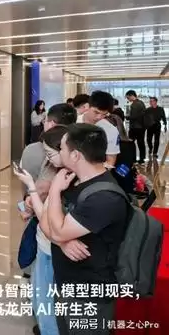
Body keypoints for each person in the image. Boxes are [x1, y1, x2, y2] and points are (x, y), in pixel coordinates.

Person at [42, 124, 129, 335]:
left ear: (75, 155)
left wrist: (54, 191)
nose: (59, 152)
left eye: (62, 148)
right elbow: (45, 224)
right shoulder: (72, 180)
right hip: (66, 282)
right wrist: (61, 241)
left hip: (90, 292)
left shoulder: (104, 197)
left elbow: (56, 229)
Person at [18, 104, 76, 335]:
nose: (49, 159)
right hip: (46, 242)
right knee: (42, 293)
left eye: (51, 154)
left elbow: (49, 217)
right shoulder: (59, 169)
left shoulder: (67, 178)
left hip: (52, 244)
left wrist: (31, 191)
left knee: (48, 298)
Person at [82, 91, 120, 167]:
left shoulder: (110, 130)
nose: (99, 117)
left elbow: (110, 162)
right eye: (96, 112)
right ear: (88, 106)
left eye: (104, 114)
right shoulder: (72, 121)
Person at [125, 90, 146, 163]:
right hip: (141, 127)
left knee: (130, 143)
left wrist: (127, 117)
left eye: (128, 97)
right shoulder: (141, 103)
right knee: (141, 143)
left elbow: (133, 116)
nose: (128, 99)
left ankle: (132, 159)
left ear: (131, 96)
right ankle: (142, 159)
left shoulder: (134, 104)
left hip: (135, 127)